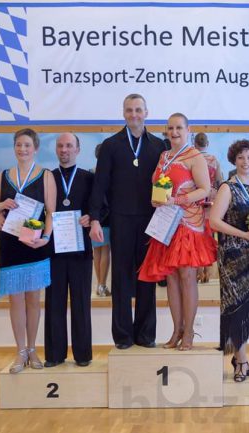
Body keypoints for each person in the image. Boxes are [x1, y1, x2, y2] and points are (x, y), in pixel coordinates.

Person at [89, 94, 166, 349]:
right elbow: (100, 184)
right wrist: (95, 219)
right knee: (121, 277)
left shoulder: (159, 146)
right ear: (123, 113)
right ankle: (122, 336)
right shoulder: (111, 145)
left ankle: (145, 334)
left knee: (147, 277)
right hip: (120, 219)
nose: (134, 114)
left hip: (150, 220)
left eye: (138, 110)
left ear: (146, 113)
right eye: (129, 110)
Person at [138, 113, 217, 351]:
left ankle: (189, 332)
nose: (174, 132)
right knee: (170, 277)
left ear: (188, 130)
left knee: (187, 277)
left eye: (179, 128)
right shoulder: (164, 156)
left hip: (188, 224)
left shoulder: (195, 156)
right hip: (166, 223)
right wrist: (157, 199)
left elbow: (205, 190)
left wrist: (178, 200)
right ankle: (176, 330)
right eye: (170, 128)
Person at [0, 128, 56, 373]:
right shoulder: (3, 175)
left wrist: (46, 237)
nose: (22, 149)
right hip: (10, 244)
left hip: (34, 243)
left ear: (35, 148)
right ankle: (20, 351)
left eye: (27, 145)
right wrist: (0, 206)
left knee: (33, 300)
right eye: (19, 145)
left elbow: (51, 212)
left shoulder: (45, 175)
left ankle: (33, 348)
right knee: (15, 300)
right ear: (14, 147)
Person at [210, 139, 249, 382]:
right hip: (232, 257)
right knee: (236, 308)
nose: (246, 162)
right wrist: (243, 235)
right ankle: (241, 362)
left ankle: (240, 357)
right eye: (241, 157)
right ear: (234, 159)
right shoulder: (228, 187)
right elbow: (214, 221)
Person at [44, 133, 94, 368]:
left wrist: (91, 216)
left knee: (81, 302)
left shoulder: (89, 178)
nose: (64, 150)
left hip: (80, 251)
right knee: (54, 302)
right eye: (60, 146)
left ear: (77, 149)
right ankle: (54, 354)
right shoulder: (47, 178)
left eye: (69, 146)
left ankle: (83, 354)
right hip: (53, 251)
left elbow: (101, 207)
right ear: (56, 149)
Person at [194, 132, 223, 284]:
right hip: (211, 201)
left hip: (196, 201)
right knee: (209, 237)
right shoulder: (214, 160)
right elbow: (220, 181)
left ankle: (198, 271)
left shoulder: (193, 159)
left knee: (197, 237)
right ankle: (208, 271)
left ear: (195, 144)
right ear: (208, 143)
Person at [90, 143, 111, 297]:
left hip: (95, 216)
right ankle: (102, 285)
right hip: (107, 216)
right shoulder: (109, 173)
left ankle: (99, 284)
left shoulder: (90, 172)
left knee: (97, 251)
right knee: (105, 251)